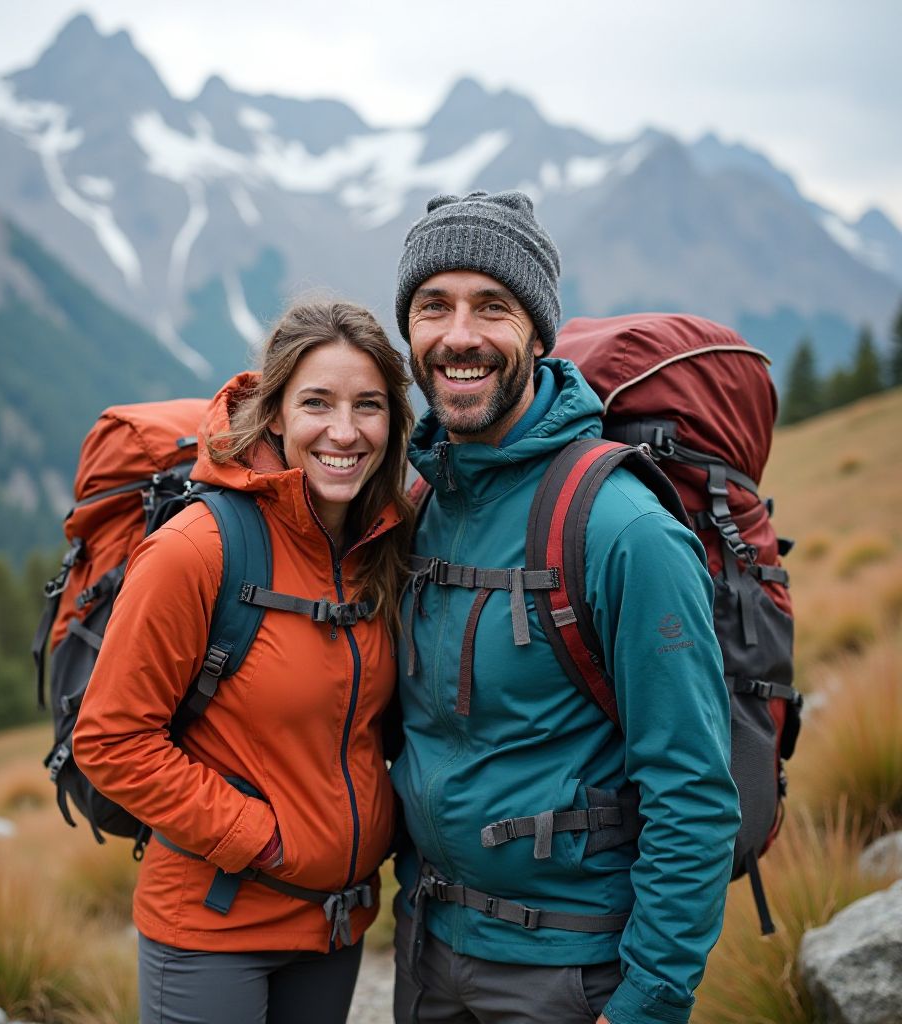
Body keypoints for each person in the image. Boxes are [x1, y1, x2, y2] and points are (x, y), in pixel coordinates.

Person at [389, 191, 741, 1024]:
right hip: (429, 949)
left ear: (539, 334)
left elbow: (692, 790)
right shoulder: (419, 502)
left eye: (493, 307)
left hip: (571, 975)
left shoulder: (624, 530)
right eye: (433, 306)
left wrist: (649, 1001)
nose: (459, 336)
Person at [73, 300, 415, 1024]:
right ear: (276, 414)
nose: (345, 431)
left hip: (335, 924)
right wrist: (263, 838)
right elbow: (109, 741)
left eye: (369, 406)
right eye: (317, 402)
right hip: (212, 929)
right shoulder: (196, 550)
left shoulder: (381, 547)